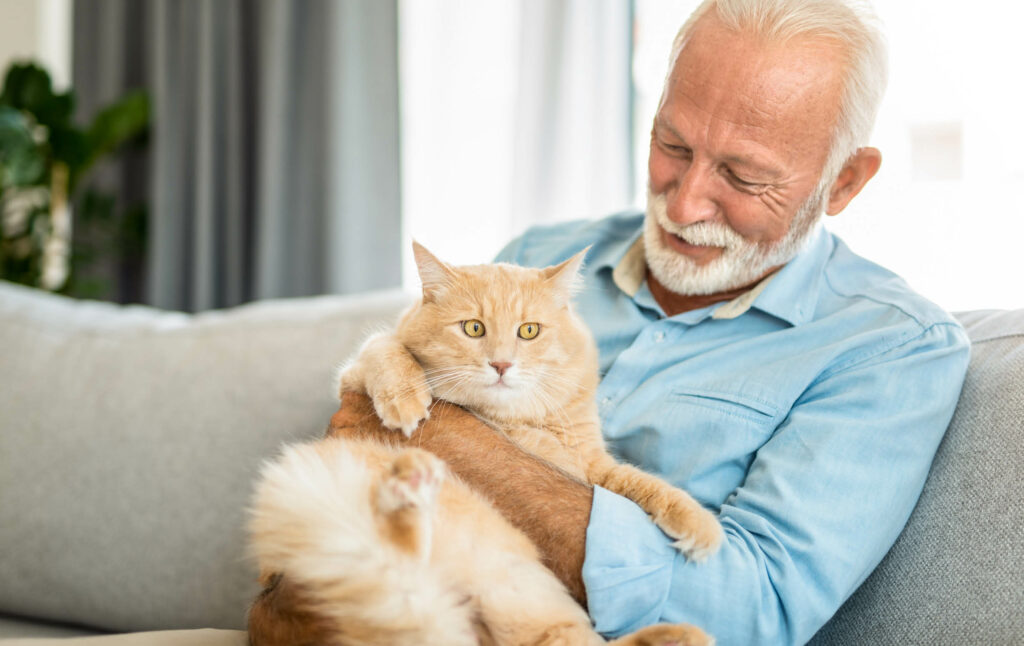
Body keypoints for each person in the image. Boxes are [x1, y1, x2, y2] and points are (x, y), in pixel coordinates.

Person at [255, 0, 971, 644]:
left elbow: (751, 610)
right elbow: (360, 435)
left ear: (843, 181)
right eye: (673, 145)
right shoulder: (538, 261)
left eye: (744, 177)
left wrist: (448, 437)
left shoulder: (891, 349)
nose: (686, 203)